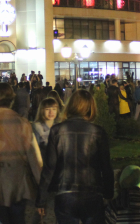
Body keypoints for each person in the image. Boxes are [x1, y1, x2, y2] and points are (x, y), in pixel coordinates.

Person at [37, 89, 115, 224]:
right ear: (90, 107)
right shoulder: (98, 132)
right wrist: (108, 193)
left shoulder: (57, 131)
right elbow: (106, 166)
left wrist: (41, 199)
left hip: (65, 192)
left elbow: (49, 168)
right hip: (92, 191)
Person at [0, 82, 43, 224]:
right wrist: (42, 189)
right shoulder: (23, 124)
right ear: (12, 100)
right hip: (17, 185)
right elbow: (34, 159)